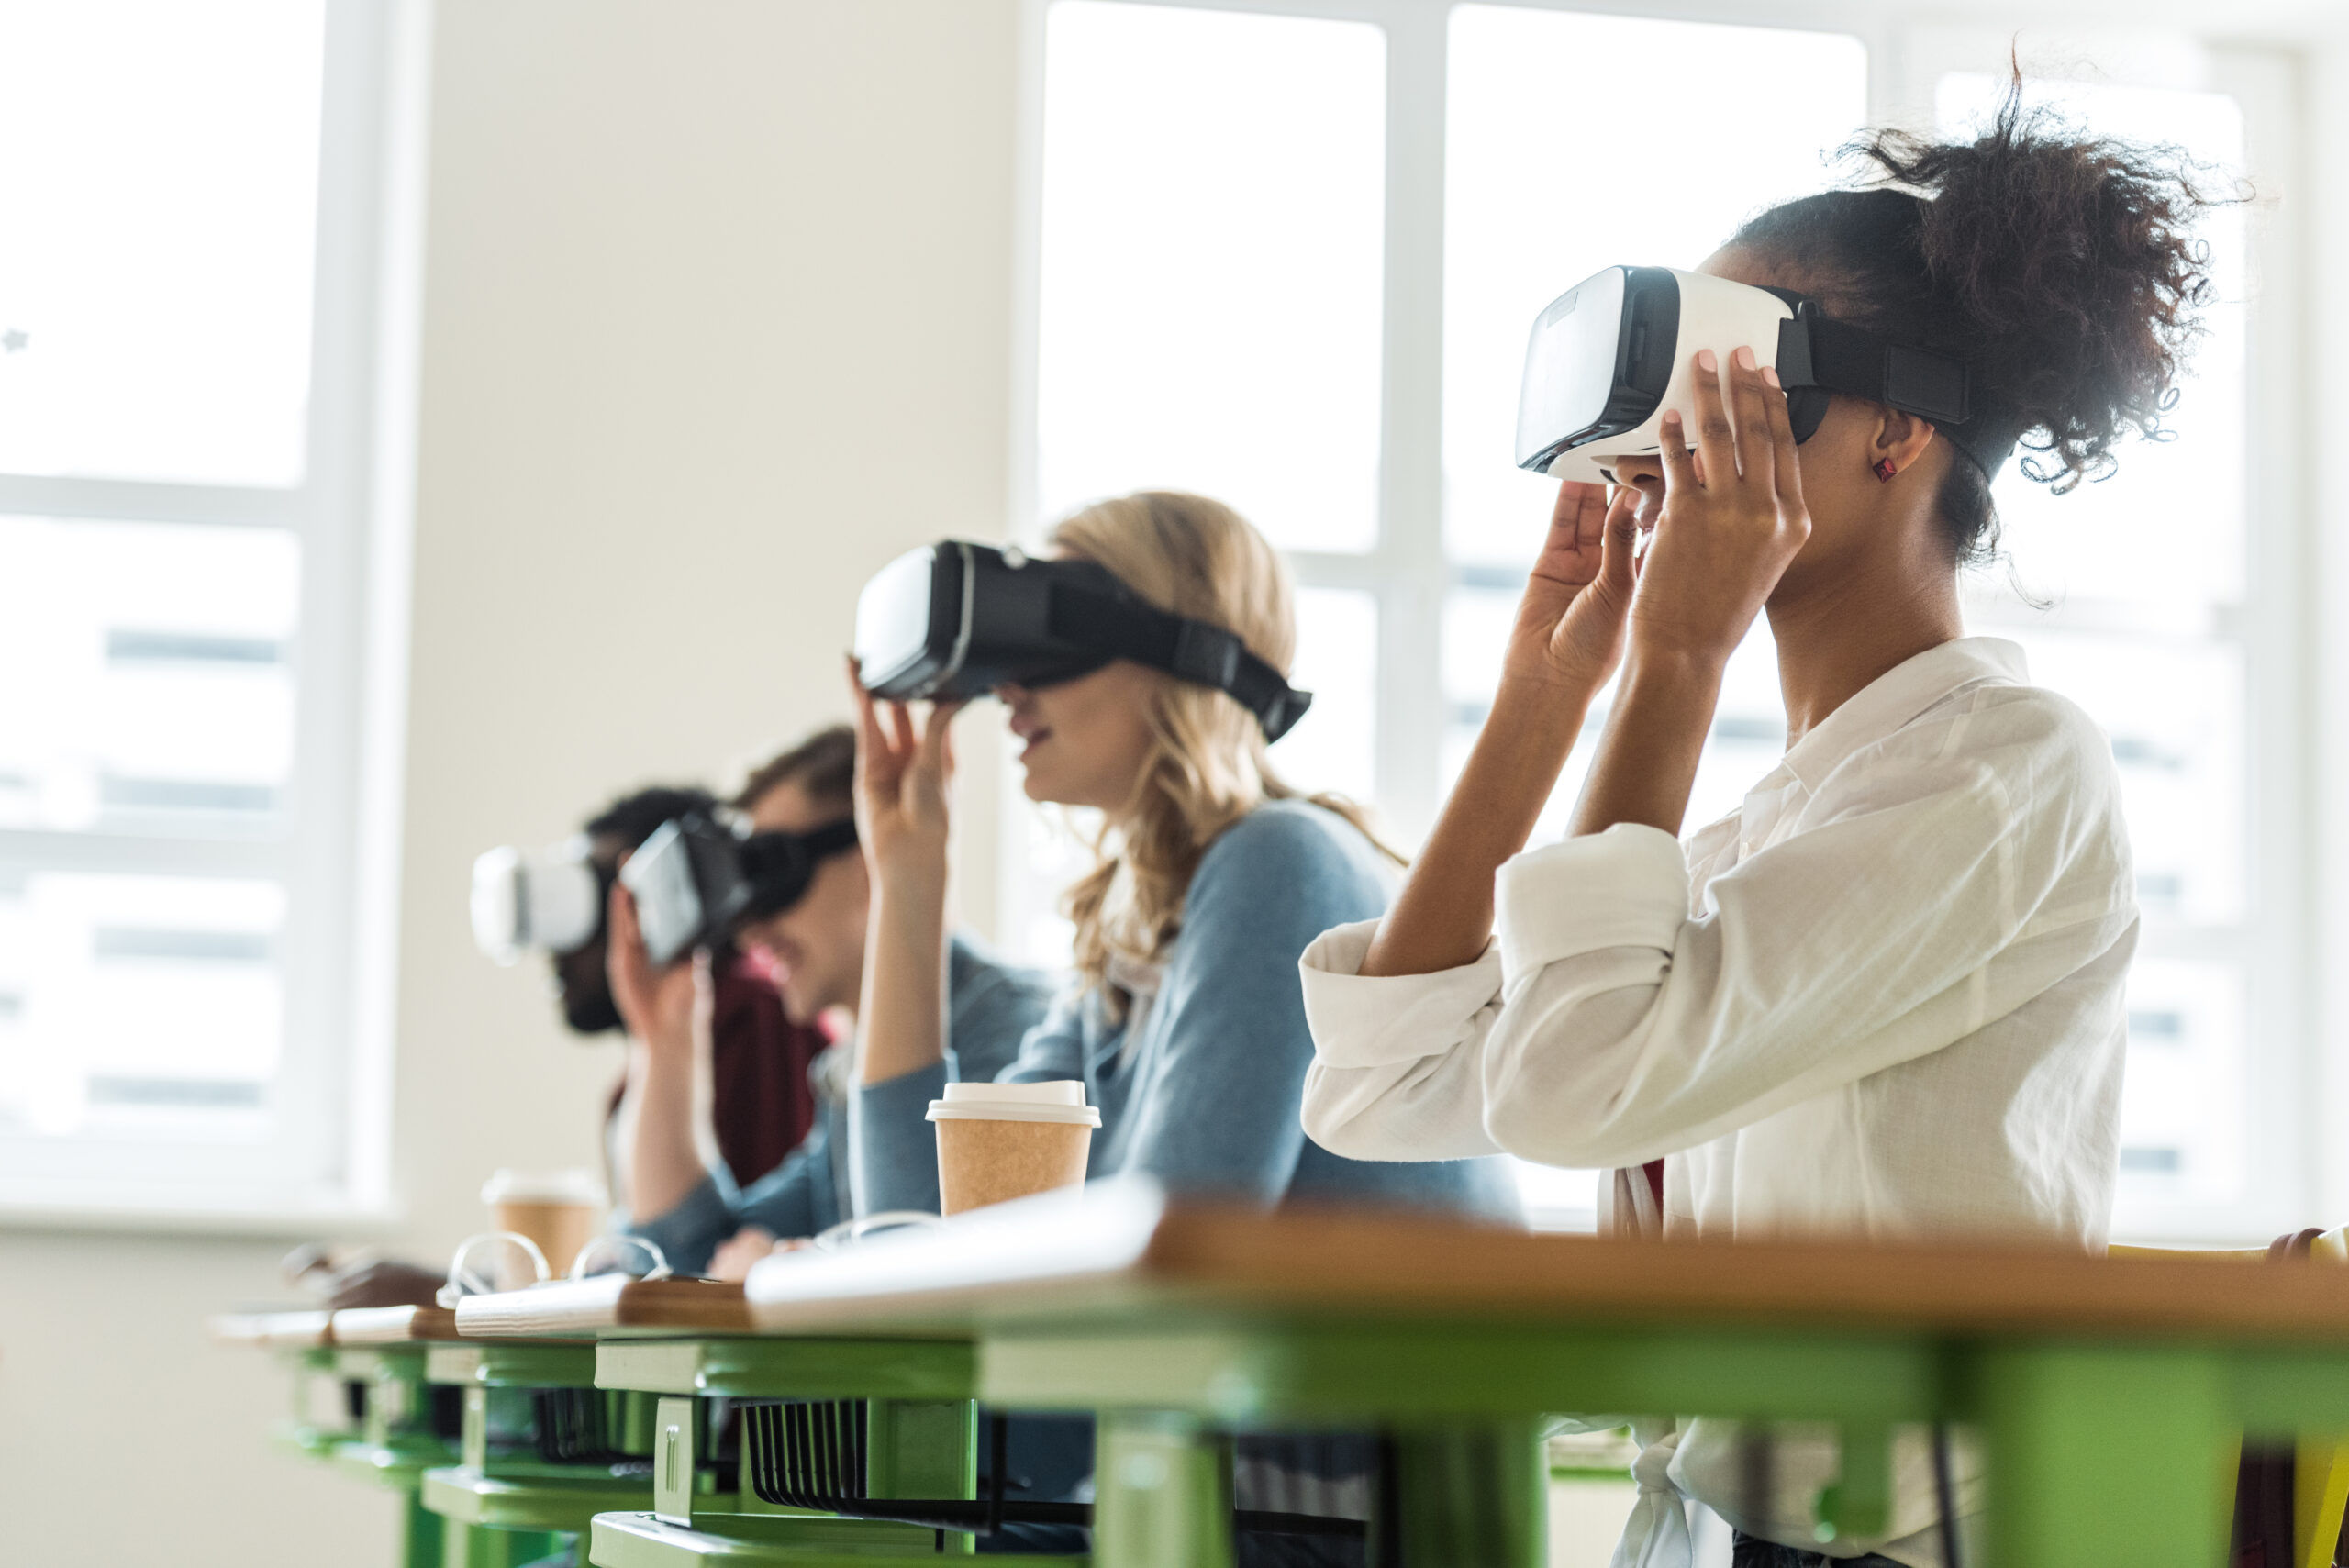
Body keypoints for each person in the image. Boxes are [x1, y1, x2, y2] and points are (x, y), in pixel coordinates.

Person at [1295, 92, 2220, 1566]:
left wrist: (1675, 664)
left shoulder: (2003, 772)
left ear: (1898, 431)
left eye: (1742, 383)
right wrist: (1550, 694)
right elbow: (1382, 1085)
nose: (1687, 437)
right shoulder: (1762, 824)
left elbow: (1570, 1086)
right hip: (1736, 1535)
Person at [851, 492, 1520, 1556]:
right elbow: (910, 1244)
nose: (1008, 687)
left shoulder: (1282, 859)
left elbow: (1168, 1255)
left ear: (1177, 652)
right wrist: (908, 875)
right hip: (1207, 1494)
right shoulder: (1124, 960)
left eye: (1052, 629)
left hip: (1340, 1523)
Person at [615, 727, 1053, 1277]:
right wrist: (664, 1038)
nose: (750, 933)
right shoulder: (849, 1075)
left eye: (773, 876)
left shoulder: (1016, 1034)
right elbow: (686, 1258)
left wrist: (792, 1273)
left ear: (875, 849)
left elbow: (929, 1273)